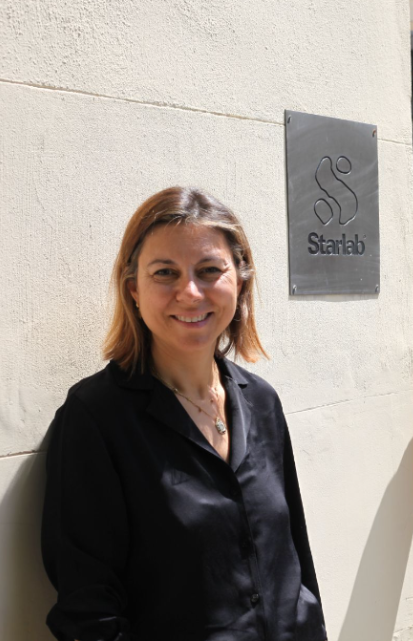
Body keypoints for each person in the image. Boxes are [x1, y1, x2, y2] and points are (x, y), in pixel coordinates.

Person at [41, 187, 327, 641]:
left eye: (210, 270)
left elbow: (295, 560)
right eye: (165, 273)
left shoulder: (261, 401)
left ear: (241, 282)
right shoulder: (97, 418)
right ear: (134, 289)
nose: (190, 293)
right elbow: (87, 610)